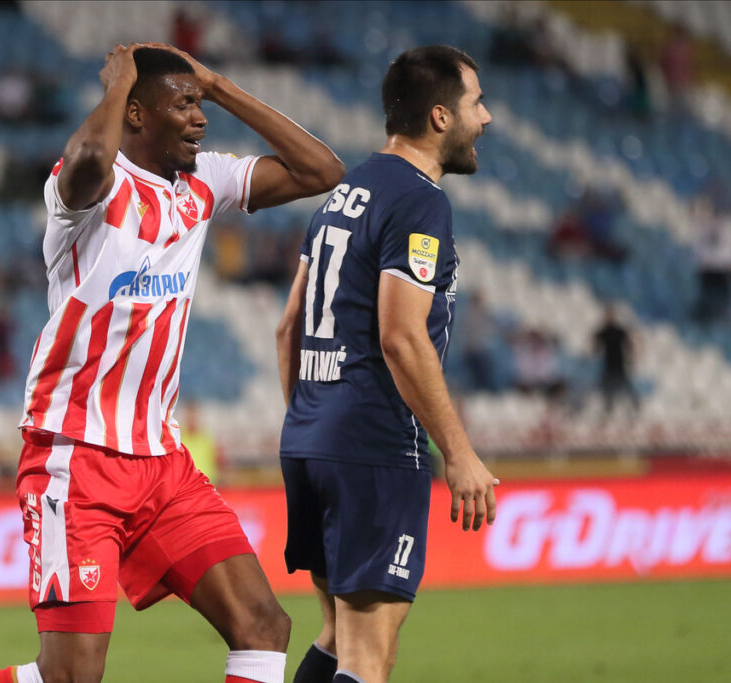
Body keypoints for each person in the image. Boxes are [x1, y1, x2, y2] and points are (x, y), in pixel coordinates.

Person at [0, 44, 343, 683]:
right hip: (76, 455)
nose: (200, 120)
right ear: (138, 115)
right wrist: (117, 87)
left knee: (263, 625)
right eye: (185, 106)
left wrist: (220, 85)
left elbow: (322, 172)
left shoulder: (203, 181)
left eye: (200, 106)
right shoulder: (92, 188)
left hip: (161, 464)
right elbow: (90, 155)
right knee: (70, 676)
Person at [276, 46, 498, 683]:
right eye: (475, 103)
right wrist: (457, 452)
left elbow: (288, 326)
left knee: (338, 637)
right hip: (371, 442)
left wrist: (311, 421)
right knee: (370, 657)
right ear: (439, 117)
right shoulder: (419, 201)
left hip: (311, 436)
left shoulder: (345, 192)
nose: (486, 117)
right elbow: (402, 338)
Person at [593, 305, 638, 415]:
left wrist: (631, 355)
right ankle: (609, 408)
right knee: (608, 388)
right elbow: (595, 345)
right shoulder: (603, 331)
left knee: (625, 386)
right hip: (608, 364)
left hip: (619, 363)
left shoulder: (619, 330)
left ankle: (635, 404)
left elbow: (629, 343)